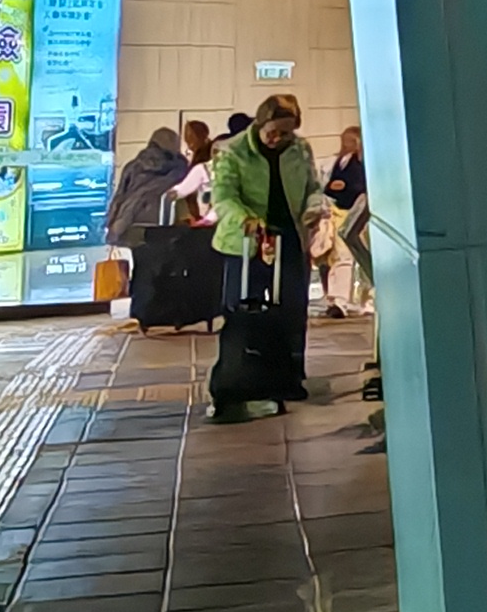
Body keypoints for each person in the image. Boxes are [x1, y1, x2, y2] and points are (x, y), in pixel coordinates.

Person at [208, 94, 321, 422]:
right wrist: (245, 218)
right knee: (243, 310)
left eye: (287, 133)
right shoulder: (232, 151)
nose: (278, 139)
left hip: (289, 238)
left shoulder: (301, 149)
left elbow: (313, 187)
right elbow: (223, 197)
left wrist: (315, 206)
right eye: (274, 132)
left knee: (292, 309)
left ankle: (289, 377)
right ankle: (240, 375)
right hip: (245, 242)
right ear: (260, 123)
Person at [106, 121, 190, 248]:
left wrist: (113, 223)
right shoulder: (180, 169)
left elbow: (119, 196)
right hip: (164, 226)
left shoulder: (133, 166)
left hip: (131, 225)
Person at [321, 125, 371, 318]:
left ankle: (366, 298)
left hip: (360, 213)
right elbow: (329, 187)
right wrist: (332, 187)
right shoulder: (340, 162)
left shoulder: (362, 162)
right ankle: (338, 300)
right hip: (341, 212)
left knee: (358, 257)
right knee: (341, 258)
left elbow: (363, 185)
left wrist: (346, 187)